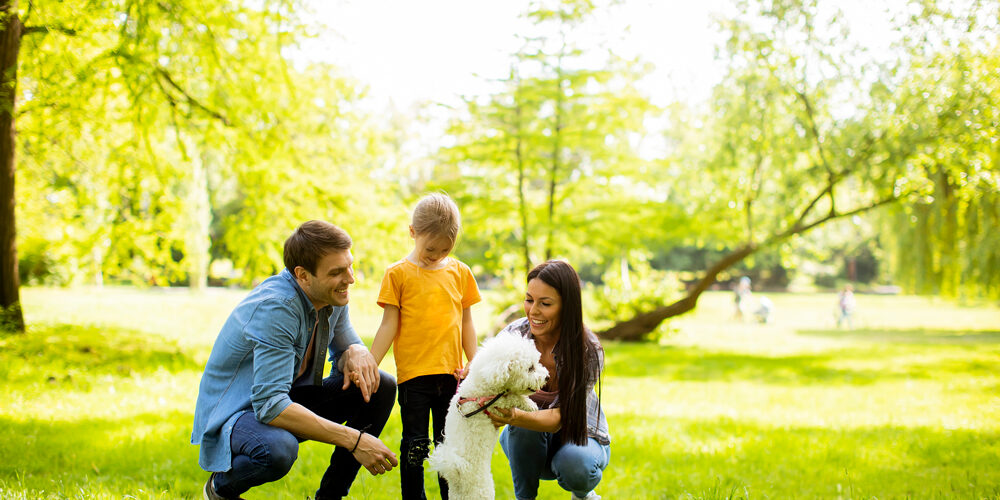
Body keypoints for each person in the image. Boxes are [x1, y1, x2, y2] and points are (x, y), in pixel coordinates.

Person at [191, 221, 398, 500]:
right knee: (278, 449)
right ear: (302, 275)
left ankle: (330, 497)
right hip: (238, 412)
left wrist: (356, 351)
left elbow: (346, 348)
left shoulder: (330, 296)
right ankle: (219, 489)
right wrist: (355, 441)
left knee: (379, 385)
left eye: (350, 266)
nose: (350, 278)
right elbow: (270, 406)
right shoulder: (278, 308)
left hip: (286, 397)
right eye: (336, 272)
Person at [370, 193, 481, 500]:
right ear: (412, 232)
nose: (436, 255)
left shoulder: (460, 273)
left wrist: (475, 362)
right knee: (415, 444)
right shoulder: (397, 274)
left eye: (445, 249)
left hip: (451, 375)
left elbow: (467, 322)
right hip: (414, 377)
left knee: (448, 445)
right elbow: (388, 325)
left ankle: (452, 496)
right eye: (430, 248)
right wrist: (371, 363)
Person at [486, 260, 610, 500]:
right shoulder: (514, 336)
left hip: (579, 438)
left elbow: (559, 420)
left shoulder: (588, 350)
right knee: (524, 426)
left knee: (577, 466)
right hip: (526, 445)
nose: (533, 311)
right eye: (529, 299)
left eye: (545, 304)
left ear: (567, 307)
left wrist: (513, 416)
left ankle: (583, 495)